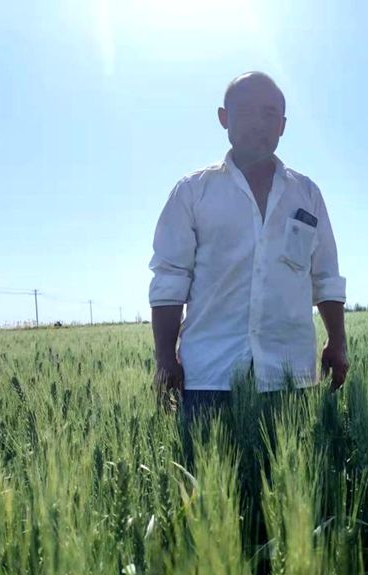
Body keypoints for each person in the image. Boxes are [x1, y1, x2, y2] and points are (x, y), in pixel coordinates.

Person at [149, 71, 349, 425]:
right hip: (210, 378)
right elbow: (170, 279)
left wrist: (337, 340)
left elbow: (325, 274)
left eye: (270, 114)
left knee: (291, 479)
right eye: (246, 112)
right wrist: (165, 357)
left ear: (283, 125)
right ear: (224, 118)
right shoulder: (193, 192)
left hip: (291, 377)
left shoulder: (307, 194)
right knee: (206, 481)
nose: (259, 123)